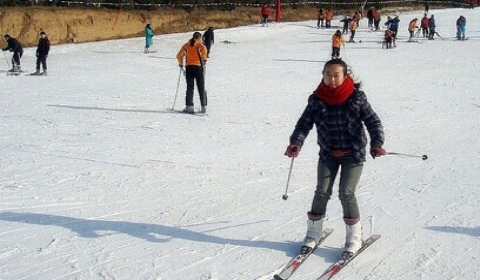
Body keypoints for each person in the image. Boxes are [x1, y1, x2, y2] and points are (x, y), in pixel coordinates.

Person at [285, 58, 385, 260]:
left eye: (336, 75)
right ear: (323, 75)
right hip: (328, 152)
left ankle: (354, 237)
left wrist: (376, 144)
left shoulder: (356, 97)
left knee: (346, 193)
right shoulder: (316, 99)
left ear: (345, 75)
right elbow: (304, 124)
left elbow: (373, 122)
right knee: (321, 192)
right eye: (328, 74)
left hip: (353, 154)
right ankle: (313, 234)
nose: (332, 79)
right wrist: (296, 142)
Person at [176, 32, 208, 114]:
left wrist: (181, 63)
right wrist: (204, 60)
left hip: (189, 68)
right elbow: (204, 51)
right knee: (201, 87)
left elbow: (179, 55)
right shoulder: (200, 45)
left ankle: (189, 106)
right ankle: (203, 106)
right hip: (198, 68)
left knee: (190, 87)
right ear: (199, 38)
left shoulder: (186, 45)